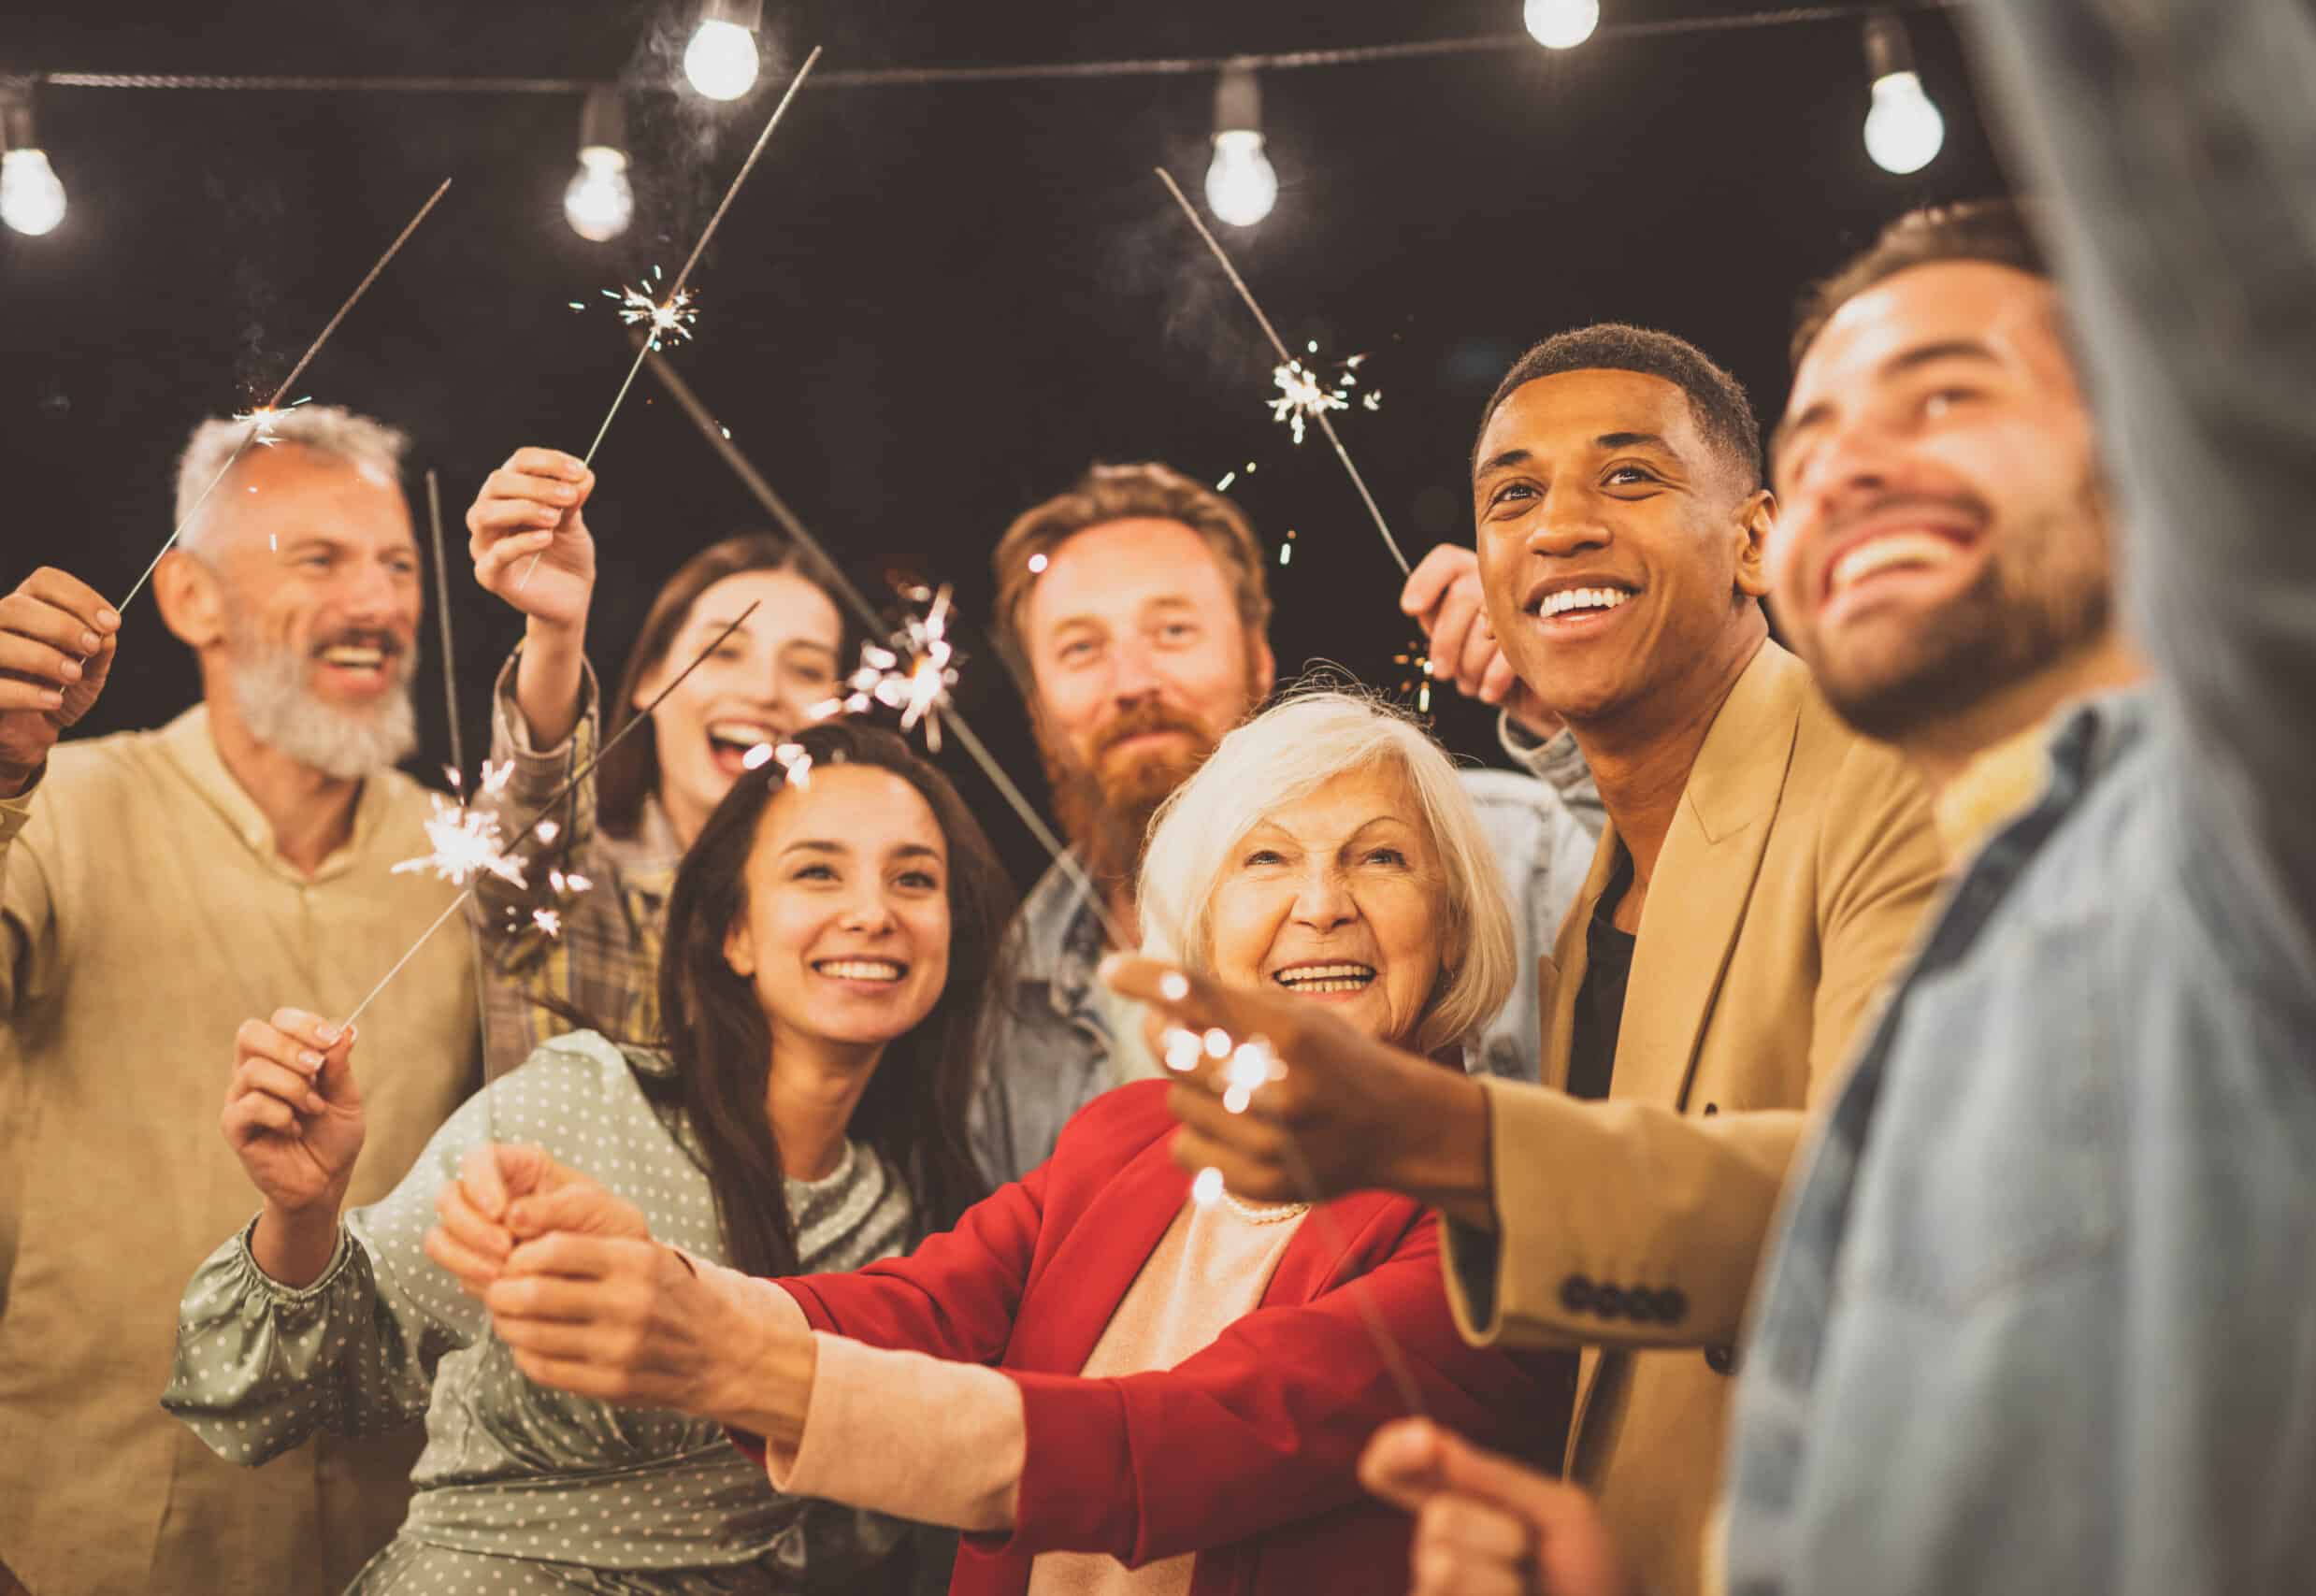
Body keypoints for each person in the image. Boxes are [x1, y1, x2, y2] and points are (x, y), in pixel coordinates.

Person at [1374, 0, 2316, 1580]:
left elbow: (2304, 392)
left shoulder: (2266, 834)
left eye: (1944, 395)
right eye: (1825, 422)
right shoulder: (1995, 917)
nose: (1851, 462)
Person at [1110, 325, 1948, 1594]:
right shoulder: (1587, 914)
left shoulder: (1886, 775)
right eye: (1513, 495)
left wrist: (1442, 1137)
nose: (1558, 527)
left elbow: (1903, 1213)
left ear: (1757, 538)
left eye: (1628, 476)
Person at [432, 691, 1572, 1596]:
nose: (1321, 905)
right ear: (1201, 922)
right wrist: (675, 1289)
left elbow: (1173, 1446)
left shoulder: (1493, 1216)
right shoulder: (1127, 1135)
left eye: (1379, 857)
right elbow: (922, 1308)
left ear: (1458, 917)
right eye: (1265, 861)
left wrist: (741, 1362)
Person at [165, 721, 1004, 1592]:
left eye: (913, 877)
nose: (873, 911)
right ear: (735, 934)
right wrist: (302, 1211)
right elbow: (284, 1385)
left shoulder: (905, 1219)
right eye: (817, 870)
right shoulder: (586, 1107)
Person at [0, 407, 481, 1595]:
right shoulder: (59, 807)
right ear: (188, 599)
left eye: (398, 564)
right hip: (98, 1538)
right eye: (317, 559)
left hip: (406, 1544)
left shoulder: (467, 863)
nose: (376, 604)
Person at [974, 462, 1604, 1183]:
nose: (1133, 681)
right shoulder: (1002, 1000)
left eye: (1173, 628)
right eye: (1081, 648)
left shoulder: (1522, 846)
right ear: (1035, 704)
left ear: (1258, 657)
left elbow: (1729, 907)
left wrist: (1587, 725)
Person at [460, 448, 854, 1072]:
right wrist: (557, 631)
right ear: (649, 679)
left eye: (806, 668)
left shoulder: (852, 922)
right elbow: (522, 834)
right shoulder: (571, 887)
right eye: (725, 651)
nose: (765, 691)